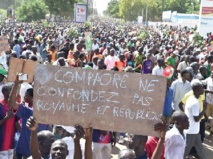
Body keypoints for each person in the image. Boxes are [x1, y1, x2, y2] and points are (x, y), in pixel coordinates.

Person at [8, 75, 49, 159]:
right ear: (33, 99)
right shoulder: (28, 111)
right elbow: (12, 104)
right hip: (23, 153)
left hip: (37, 156)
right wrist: (16, 84)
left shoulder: (49, 116)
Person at [184, 79, 207, 159]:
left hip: (194, 131)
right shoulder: (195, 102)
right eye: (202, 87)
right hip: (191, 131)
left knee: (200, 149)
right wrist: (204, 109)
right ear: (197, 89)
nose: (203, 89)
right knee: (184, 152)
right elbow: (196, 119)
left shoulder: (193, 99)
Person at [0, 84, 15, 159]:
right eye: (12, 90)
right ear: (5, 92)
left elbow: (16, 123)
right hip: (2, 145)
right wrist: (6, 118)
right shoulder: (0, 106)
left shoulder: (14, 106)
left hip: (11, 144)